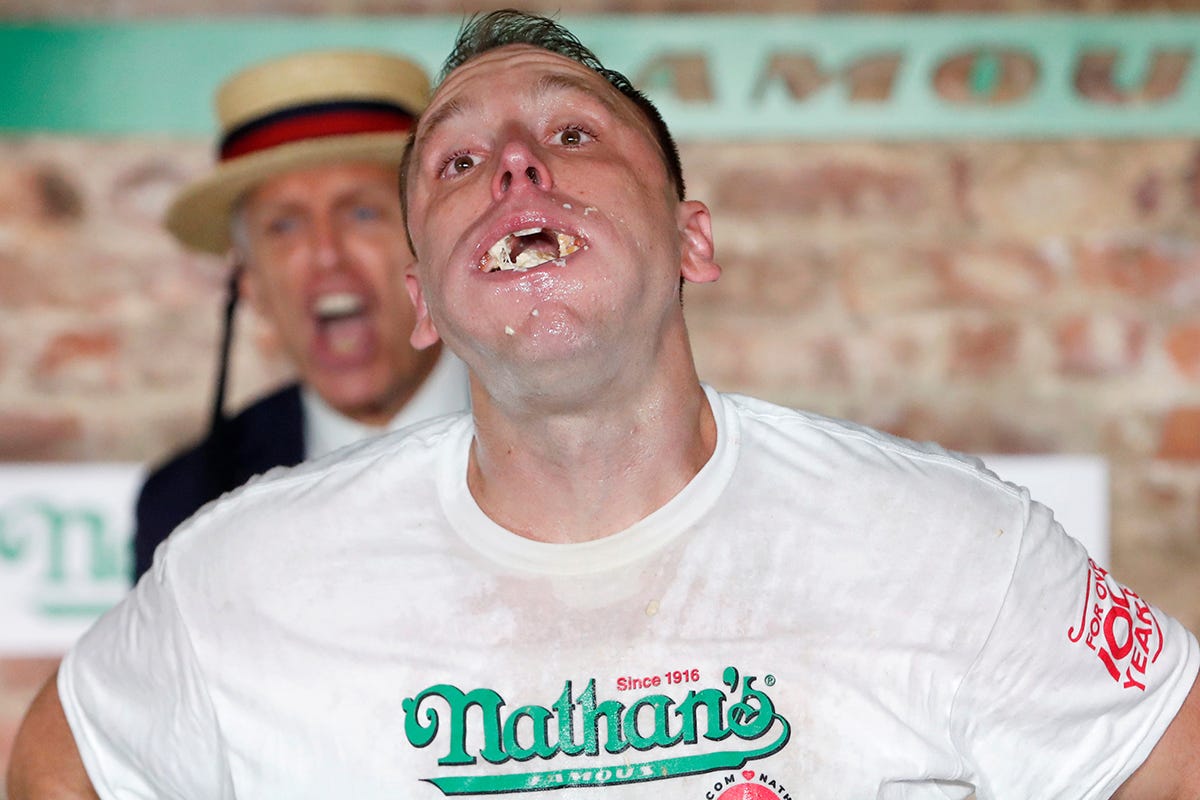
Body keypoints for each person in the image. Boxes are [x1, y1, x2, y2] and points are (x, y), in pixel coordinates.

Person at [9, 11, 1199, 799]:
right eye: (458, 163)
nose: (519, 165)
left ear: (695, 240)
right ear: (428, 299)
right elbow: (61, 762)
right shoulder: (235, 571)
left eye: (572, 133)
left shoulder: (959, 543)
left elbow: (1170, 751)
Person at [132, 48, 471, 579]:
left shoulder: (565, 433)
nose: (326, 254)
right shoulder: (185, 502)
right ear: (250, 284)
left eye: (362, 212)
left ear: (437, 242)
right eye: (284, 226)